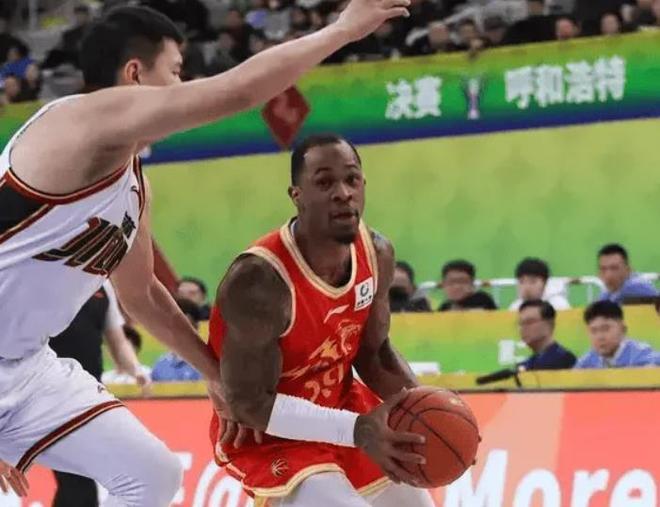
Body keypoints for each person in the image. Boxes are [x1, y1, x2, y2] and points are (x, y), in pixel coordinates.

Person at [0, 0, 410, 500]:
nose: (183, 84)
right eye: (175, 71)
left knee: (153, 475)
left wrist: (216, 376)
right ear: (135, 74)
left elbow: (142, 295)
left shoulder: (132, 185)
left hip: (28, 369)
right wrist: (341, 31)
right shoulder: (80, 120)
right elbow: (238, 90)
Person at [208, 134, 433, 506]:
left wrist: (427, 410)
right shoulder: (259, 281)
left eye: (352, 179)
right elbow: (249, 404)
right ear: (297, 196)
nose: (343, 193)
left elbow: (375, 354)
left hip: (345, 408)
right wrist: (355, 429)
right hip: (271, 431)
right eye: (325, 182)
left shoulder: (377, 253)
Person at [49, 280, 150, 507]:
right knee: (76, 472)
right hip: (47, 391)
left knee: (80, 472)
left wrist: (136, 370)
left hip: (88, 394)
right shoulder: (43, 276)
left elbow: (117, 339)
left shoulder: (103, 285)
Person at [575, 301, 660, 368]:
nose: (600, 337)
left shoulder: (643, 354)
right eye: (593, 331)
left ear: (623, 329)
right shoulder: (588, 360)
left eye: (605, 329)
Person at [152, 299, 203, 381]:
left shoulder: (208, 363)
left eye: (183, 327)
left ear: (196, 327)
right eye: (173, 327)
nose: (178, 332)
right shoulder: (160, 365)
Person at [517, 300, 576, 370]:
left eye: (530, 322)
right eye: (521, 323)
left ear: (549, 324)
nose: (523, 328)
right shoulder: (526, 364)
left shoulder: (565, 360)